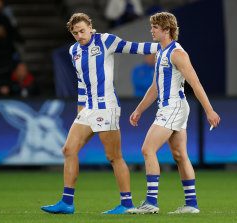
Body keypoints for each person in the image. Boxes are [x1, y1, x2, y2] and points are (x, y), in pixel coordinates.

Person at [41, 12, 159, 215]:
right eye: (75, 32)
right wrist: (80, 111)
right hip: (88, 109)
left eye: (82, 31)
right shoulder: (74, 51)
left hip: (107, 107)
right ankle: (67, 203)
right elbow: (81, 82)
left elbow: (135, 48)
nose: (80, 35)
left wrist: (164, 46)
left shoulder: (105, 40)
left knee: (114, 156)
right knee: (68, 150)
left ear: (90, 28)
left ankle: (127, 204)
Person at [127, 12, 221, 214]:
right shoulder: (161, 52)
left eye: (155, 27)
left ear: (167, 29)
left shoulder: (177, 53)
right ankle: (191, 204)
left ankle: (151, 202)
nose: (151, 30)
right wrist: (139, 110)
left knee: (147, 149)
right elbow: (154, 87)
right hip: (170, 107)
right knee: (180, 155)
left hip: (173, 107)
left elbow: (195, 83)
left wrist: (209, 110)